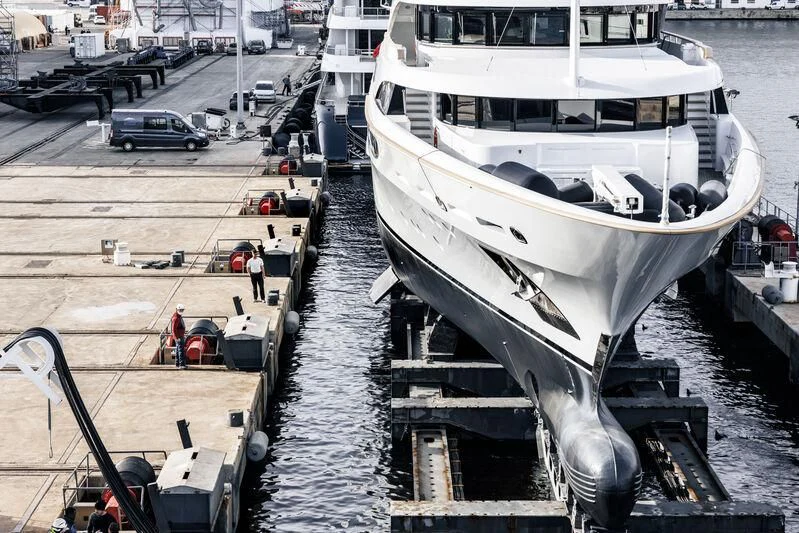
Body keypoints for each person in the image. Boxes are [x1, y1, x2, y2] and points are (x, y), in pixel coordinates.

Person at [171, 303, 187, 369]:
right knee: (181, 351)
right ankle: (181, 365)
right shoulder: (176, 318)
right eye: (180, 310)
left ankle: (177, 364)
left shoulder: (178, 316)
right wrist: (177, 338)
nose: (181, 311)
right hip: (179, 337)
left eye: (182, 310)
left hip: (180, 336)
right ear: (176, 309)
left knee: (178, 350)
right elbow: (173, 329)